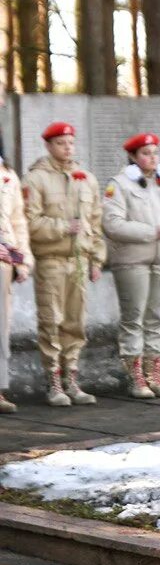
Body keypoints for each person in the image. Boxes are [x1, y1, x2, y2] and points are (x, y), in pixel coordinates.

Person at [23, 122, 106, 407]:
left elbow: (95, 222)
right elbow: (29, 222)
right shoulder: (36, 178)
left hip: (79, 261)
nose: (67, 148)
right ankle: (53, 380)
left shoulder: (86, 178)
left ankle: (72, 378)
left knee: (75, 322)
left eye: (71, 142)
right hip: (52, 260)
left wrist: (97, 257)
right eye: (61, 143)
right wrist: (62, 227)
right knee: (52, 321)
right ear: (48, 146)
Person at [103, 133, 160, 400]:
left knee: (156, 319)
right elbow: (112, 224)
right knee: (134, 318)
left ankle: (154, 374)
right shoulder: (120, 185)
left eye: (155, 153)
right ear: (133, 157)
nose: (152, 158)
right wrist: (150, 231)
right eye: (146, 153)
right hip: (132, 261)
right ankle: (135, 376)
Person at [0, 145, 31, 414]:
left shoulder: (7, 173)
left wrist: (24, 259)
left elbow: (18, 220)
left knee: (1, 328)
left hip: (4, 261)